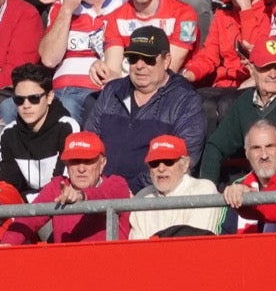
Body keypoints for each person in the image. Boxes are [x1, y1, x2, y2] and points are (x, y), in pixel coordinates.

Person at [83, 27, 205, 191]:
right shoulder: (112, 92)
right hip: (101, 192)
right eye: (133, 58)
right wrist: (102, 189)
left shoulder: (186, 100)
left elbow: (183, 161)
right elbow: (89, 145)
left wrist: (126, 190)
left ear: (166, 60)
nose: (139, 66)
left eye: (148, 59)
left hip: (152, 198)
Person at [198, 38, 276, 183]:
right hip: (255, 182)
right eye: (265, 68)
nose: (273, 74)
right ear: (252, 70)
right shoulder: (245, 101)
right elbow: (215, 146)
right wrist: (208, 191)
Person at [38, 0, 128, 122]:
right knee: (8, 107)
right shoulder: (61, 7)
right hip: (60, 92)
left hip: (100, 93)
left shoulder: (126, 4)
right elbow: (49, 59)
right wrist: (67, 10)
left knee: (68, 107)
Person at [6, 132, 131, 244]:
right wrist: (7, 244)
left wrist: (80, 196)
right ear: (66, 164)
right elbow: (29, 219)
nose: (81, 169)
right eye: (75, 161)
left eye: (88, 161)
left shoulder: (117, 184)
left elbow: (102, 196)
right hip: (67, 265)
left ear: (102, 162)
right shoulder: (57, 186)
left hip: (109, 265)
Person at [182, 0, 271, 90]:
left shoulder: (268, 10)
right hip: (222, 85)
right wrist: (191, 73)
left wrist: (246, 8)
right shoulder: (223, 13)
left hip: (253, 84)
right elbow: (209, 54)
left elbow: (254, 53)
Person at [0, 63, 78, 201]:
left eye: (34, 98)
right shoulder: (9, 134)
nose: (26, 105)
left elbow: (61, 187)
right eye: (19, 100)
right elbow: (7, 187)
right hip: (24, 211)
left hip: (59, 209)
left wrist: (25, 199)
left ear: (50, 97)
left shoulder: (67, 128)